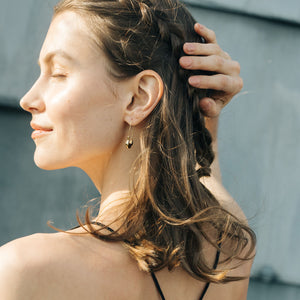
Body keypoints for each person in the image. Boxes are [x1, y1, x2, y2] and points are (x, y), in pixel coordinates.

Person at [0, 0, 256, 299]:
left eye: (58, 73)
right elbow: (205, 172)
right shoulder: (230, 248)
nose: (29, 98)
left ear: (138, 97)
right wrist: (202, 111)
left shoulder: (22, 271)